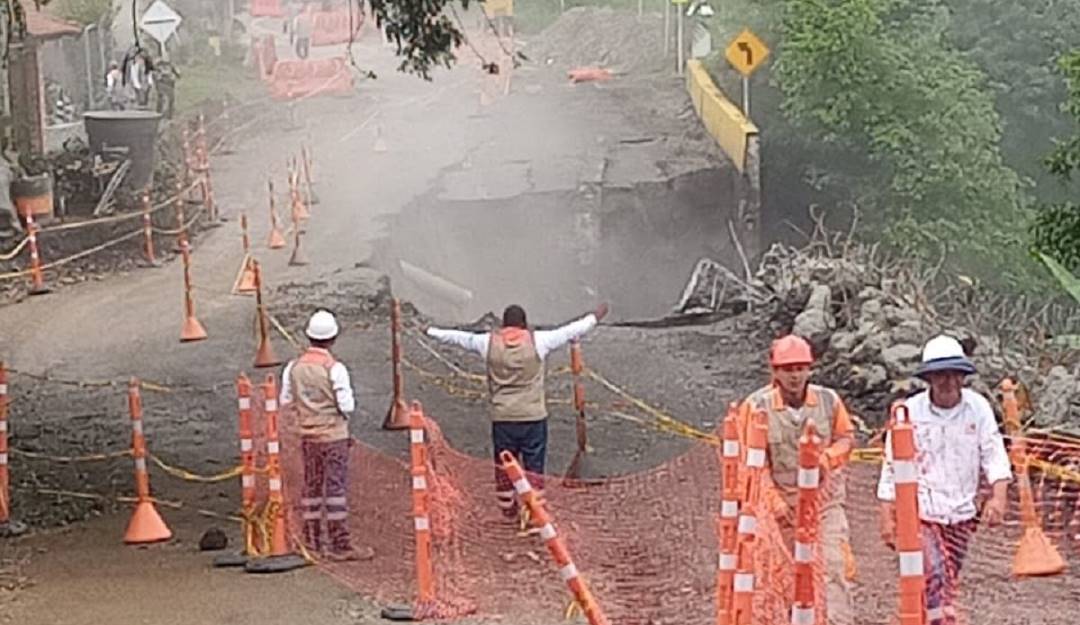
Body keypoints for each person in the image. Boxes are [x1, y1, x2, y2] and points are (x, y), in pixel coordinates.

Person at [425, 303, 608, 519]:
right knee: (533, 467)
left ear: (504, 323)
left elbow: (458, 338)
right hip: (533, 417)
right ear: (524, 323)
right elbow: (571, 330)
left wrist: (430, 331)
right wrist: (595, 316)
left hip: (503, 418)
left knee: (504, 464)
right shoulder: (539, 341)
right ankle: (533, 512)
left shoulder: (488, 343)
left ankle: (507, 508)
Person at [877, 335, 1012, 625]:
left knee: (947, 576)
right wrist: (887, 517)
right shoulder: (910, 412)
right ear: (929, 378)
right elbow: (891, 466)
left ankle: (922, 618)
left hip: (962, 515)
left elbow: (993, 453)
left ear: (963, 376)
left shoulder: (978, 408)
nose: (948, 381)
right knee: (934, 572)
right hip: (921, 514)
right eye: (941, 375)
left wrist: (998, 497)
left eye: (954, 374)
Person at [736, 334, 856, 625]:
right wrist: (774, 503)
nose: (795, 376)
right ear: (775, 371)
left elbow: (846, 438)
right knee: (780, 576)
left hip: (824, 503)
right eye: (788, 369)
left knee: (833, 567)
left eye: (801, 368)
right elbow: (751, 465)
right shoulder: (756, 407)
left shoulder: (829, 401)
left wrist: (827, 458)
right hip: (778, 509)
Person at [279, 309, 372, 562]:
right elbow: (347, 406)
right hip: (333, 436)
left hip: (307, 437)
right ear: (333, 338)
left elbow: (285, 400)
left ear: (308, 336)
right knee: (335, 489)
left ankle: (312, 541)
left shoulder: (293, 368)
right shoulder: (335, 369)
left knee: (312, 486)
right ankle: (339, 543)